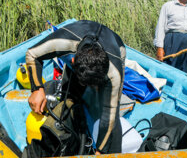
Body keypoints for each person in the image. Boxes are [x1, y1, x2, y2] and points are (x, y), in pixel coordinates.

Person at [26, 20, 126, 155]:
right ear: (72, 62)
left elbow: (110, 113)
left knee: (111, 117)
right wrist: (37, 89)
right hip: (77, 47)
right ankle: (73, 141)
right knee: (70, 100)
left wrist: (101, 151)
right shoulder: (63, 42)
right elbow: (32, 54)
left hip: (114, 48)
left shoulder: (113, 72)